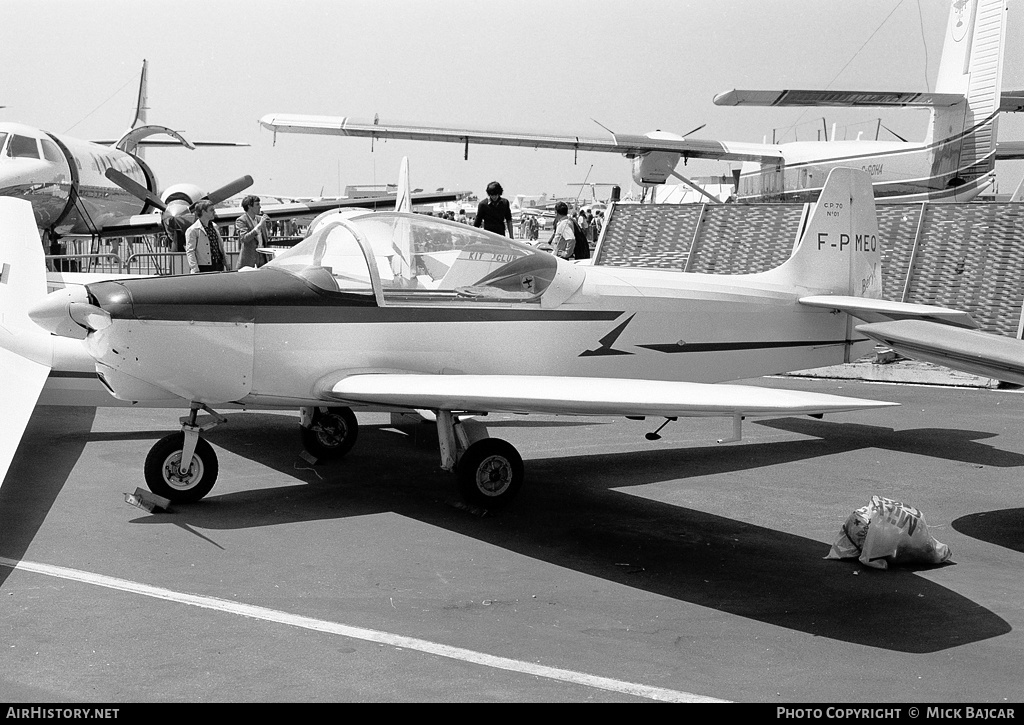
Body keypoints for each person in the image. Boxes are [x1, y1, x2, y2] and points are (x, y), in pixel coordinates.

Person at [185, 200, 226, 274]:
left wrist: (226, 262)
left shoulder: (214, 226)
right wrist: (194, 269)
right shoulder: (193, 230)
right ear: (203, 212)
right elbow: (190, 251)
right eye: (211, 210)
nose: (214, 212)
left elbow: (220, 247)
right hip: (203, 267)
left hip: (218, 265)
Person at [234, 195, 269, 270]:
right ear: (249, 206)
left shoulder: (260, 219)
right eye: (257, 204)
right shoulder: (241, 220)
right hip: (248, 263)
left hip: (263, 260)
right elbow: (244, 238)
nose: (260, 207)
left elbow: (265, 240)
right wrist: (258, 227)